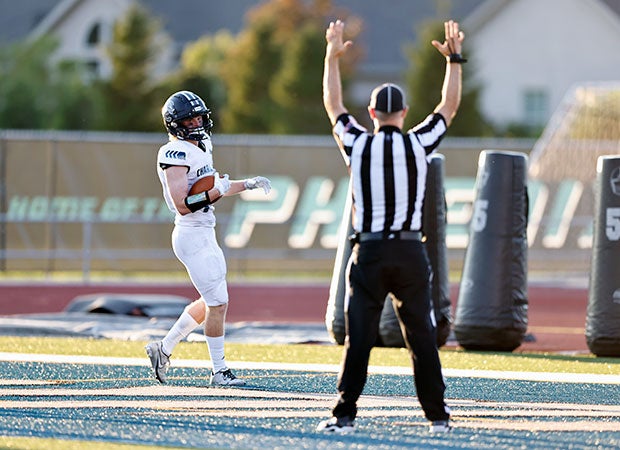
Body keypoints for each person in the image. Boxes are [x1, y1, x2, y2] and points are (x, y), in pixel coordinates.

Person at [316, 19, 465, 433]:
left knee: (359, 338)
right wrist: (454, 60)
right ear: (402, 113)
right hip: (409, 250)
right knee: (422, 337)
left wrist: (332, 55)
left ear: (372, 113)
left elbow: (333, 106)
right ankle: (437, 418)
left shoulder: (358, 143)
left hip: (370, 251)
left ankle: (344, 415)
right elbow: (447, 108)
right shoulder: (418, 142)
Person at [145, 90, 271, 387]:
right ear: (176, 124)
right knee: (218, 302)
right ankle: (219, 371)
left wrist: (247, 184)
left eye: (200, 116)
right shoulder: (173, 152)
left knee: (211, 300)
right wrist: (216, 190)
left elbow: (217, 187)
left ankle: (162, 349)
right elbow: (183, 203)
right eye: (190, 119)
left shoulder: (201, 146)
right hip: (190, 233)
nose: (198, 122)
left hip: (205, 231)